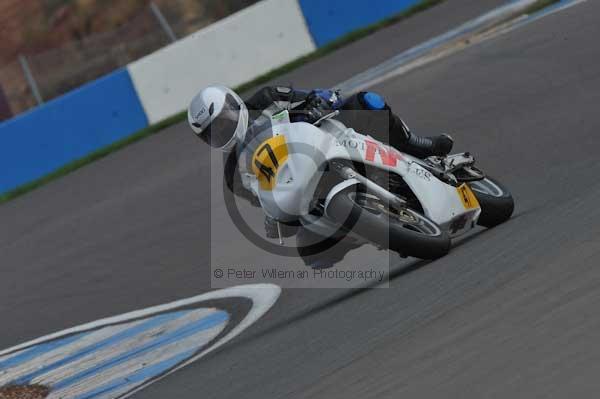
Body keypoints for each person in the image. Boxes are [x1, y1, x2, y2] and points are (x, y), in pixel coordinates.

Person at [188, 85, 453, 267]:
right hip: (307, 190)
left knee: (368, 102)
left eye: (223, 120)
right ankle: (371, 231)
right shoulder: (233, 173)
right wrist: (274, 217)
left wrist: (320, 102)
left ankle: (418, 145)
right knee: (311, 254)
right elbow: (264, 198)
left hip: (330, 139)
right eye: (213, 132)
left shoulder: (267, 98)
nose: (222, 131)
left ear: (234, 104)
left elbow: (322, 94)